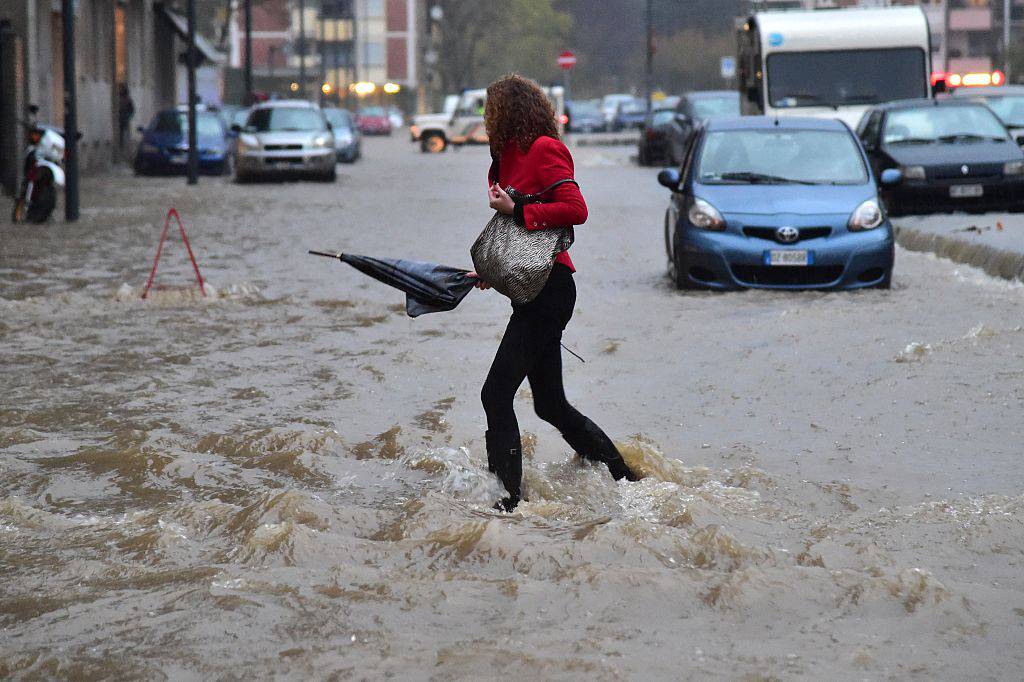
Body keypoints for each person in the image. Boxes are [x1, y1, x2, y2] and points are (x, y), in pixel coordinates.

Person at [469, 74, 639, 512]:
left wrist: (518, 206)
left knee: (494, 393)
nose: (486, 120)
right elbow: (514, 235)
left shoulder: (543, 149)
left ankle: (506, 503)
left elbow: (575, 209)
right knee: (549, 404)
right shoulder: (501, 158)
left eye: (491, 111)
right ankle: (626, 478)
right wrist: (495, 270)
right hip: (528, 290)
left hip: (552, 291)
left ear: (508, 111)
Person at [117, 84, 135, 151]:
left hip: (124, 118)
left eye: (121, 89)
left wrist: (128, 116)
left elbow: (132, 110)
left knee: (124, 133)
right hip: (118, 119)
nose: (120, 90)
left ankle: (124, 147)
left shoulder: (127, 99)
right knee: (121, 133)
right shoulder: (118, 98)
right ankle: (121, 146)